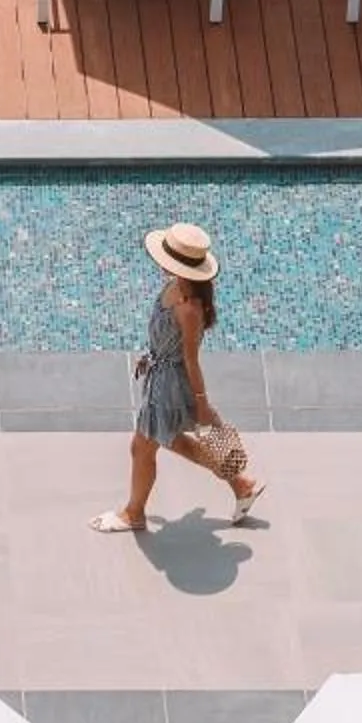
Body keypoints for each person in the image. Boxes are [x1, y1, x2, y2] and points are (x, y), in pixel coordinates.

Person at [90, 221, 265, 533]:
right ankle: (241, 484)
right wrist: (151, 356)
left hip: (170, 387)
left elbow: (190, 359)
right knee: (166, 442)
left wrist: (202, 404)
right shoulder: (176, 286)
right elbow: (167, 341)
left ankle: (134, 513)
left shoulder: (189, 308)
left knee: (143, 447)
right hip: (161, 376)